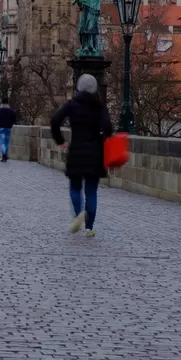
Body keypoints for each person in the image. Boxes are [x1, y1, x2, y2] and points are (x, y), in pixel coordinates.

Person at [50, 74, 114, 238]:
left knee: (75, 187)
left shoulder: (72, 104)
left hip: (77, 151)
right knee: (92, 190)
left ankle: (79, 214)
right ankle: (89, 227)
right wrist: (102, 134)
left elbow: (55, 120)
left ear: (78, 87)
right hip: (95, 153)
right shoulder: (100, 106)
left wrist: (60, 140)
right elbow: (108, 128)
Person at [0, 97, 17, 162]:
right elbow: (15, 120)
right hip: (9, 128)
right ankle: (5, 155)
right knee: (6, 142)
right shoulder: (11, 111)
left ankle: (4, 156)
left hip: (1, 128)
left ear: (1, 103)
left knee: (3, 142)